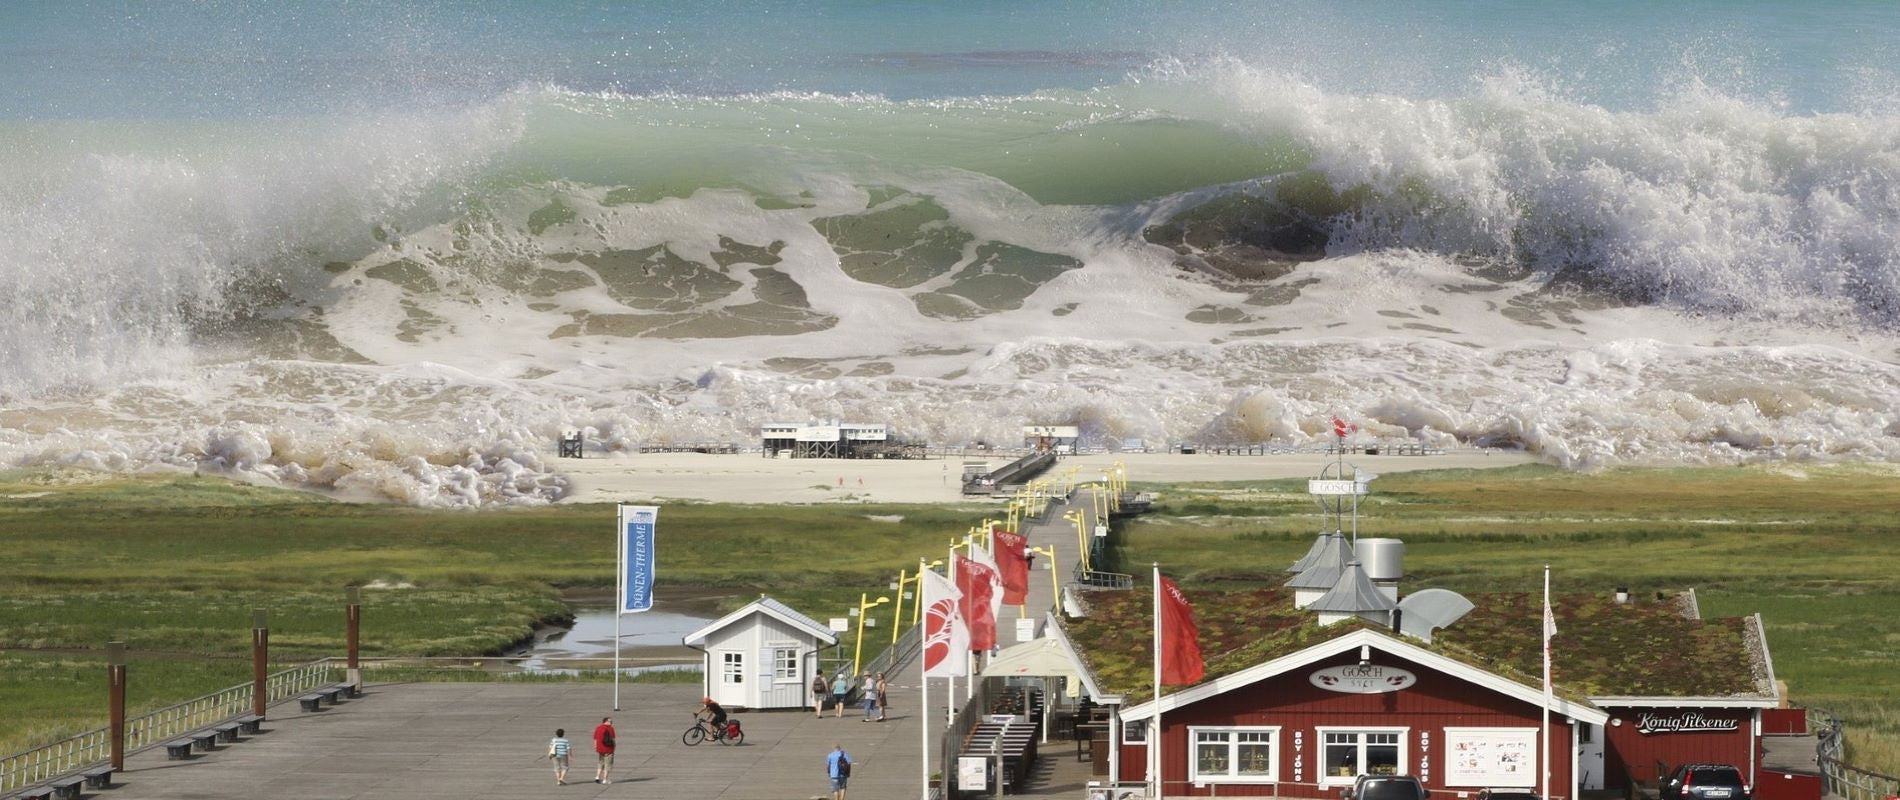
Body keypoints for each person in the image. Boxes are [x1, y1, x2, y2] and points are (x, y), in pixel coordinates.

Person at [592, 716, 615, 785]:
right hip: (609, 749)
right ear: (606, 721)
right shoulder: (610, 728)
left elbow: (595, 738)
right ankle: (605, 779)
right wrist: (614, 747)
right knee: (608, 765)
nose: (611, 723)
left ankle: (597, 776)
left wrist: (596, 747)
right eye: (610, 721)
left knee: (601, 763)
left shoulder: (598, 728)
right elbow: (613, 739)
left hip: (600, 749)